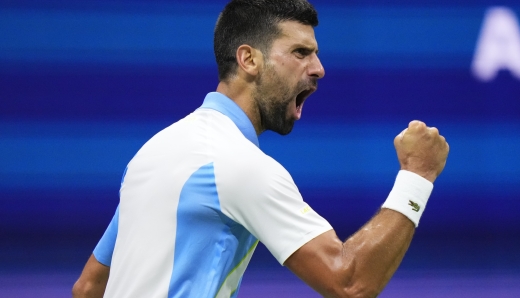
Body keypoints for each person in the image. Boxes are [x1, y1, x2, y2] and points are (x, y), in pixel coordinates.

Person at [72, 0, 449, 297]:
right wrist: (418, 175)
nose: (319, 68)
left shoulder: (153, 151)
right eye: (301, 52)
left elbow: (89, 288)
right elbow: (349, 283)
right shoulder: (238, 166)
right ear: (249, 59)